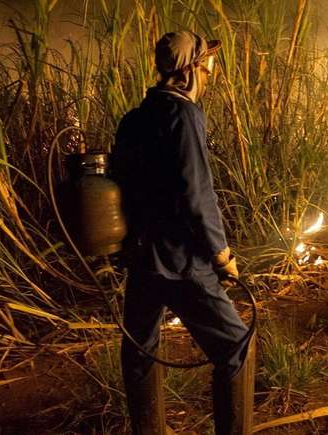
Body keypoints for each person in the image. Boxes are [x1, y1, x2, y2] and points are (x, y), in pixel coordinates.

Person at [111, 31, 254, 435]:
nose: (211, 73)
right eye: (207, 65)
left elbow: (120, 184)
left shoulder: (134, 118)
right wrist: (222, 255)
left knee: (140, 348)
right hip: (181, 261)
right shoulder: (184, 115)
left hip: (141, 259)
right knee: (236, 347)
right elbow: (197, 194)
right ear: (191, 71)